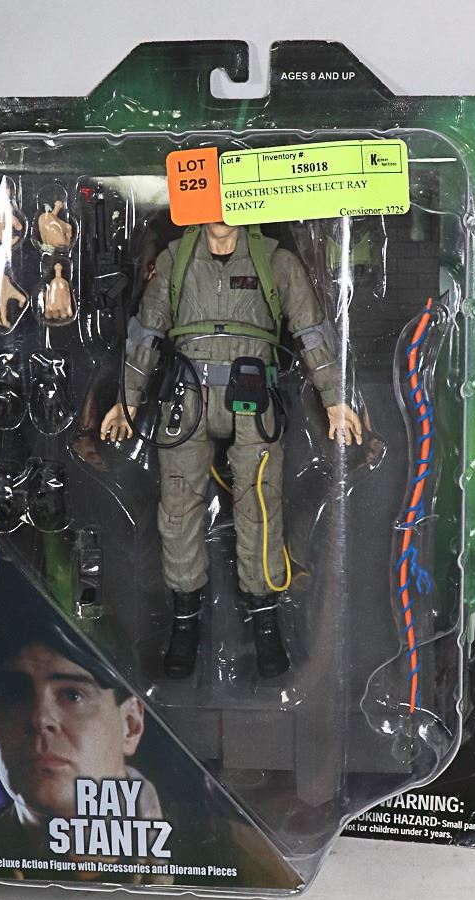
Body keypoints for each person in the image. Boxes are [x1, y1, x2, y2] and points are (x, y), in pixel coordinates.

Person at [100, 221, 363, 679]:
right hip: (187, 397)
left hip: (253, 398)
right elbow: (146, 334)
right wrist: (128, 400)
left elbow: (310, 330)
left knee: (261, 506)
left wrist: (334, 399)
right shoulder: (176, 260)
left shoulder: (275, 260)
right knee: (178, 508)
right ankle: (185, 620)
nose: (220, 211)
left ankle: (265, 620)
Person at [0, 569, 172, 886]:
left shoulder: (231, 853)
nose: (40, 719)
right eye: (14, 693)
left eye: (72, 695)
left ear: (131, 724)